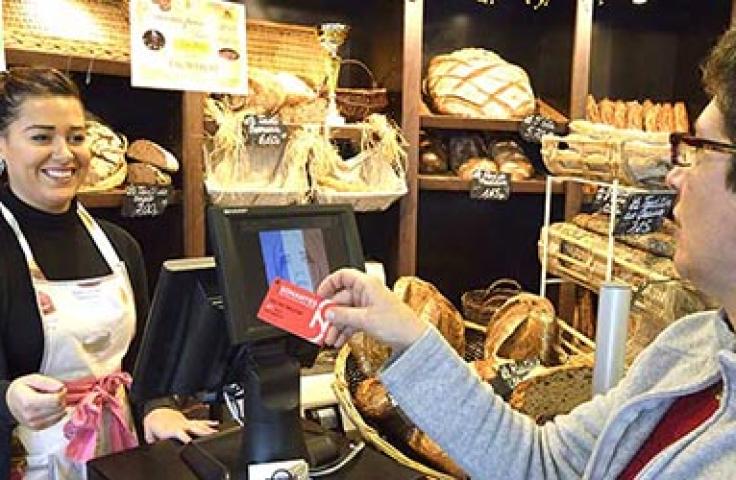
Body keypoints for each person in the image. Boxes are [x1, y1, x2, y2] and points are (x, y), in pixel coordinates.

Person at [317, 28, 736, 479]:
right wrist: (409, 335)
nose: (676, 176)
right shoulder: (690, 347)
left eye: (699, 148)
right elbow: (543, 462)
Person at [0, 67, 216, 480]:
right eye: (41, 137)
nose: (64, 154)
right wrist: (7, 400)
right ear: (3, 145)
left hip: (118, 450)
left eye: (76, 137)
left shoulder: (119, 245)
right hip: (30, 459)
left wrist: (157, 409)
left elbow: (143, 360)